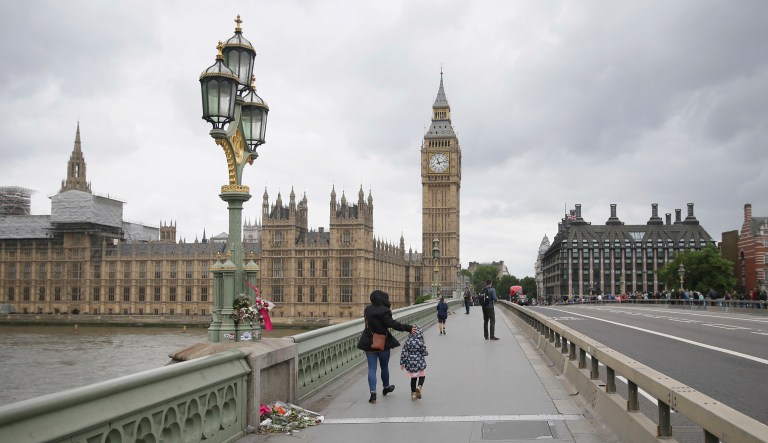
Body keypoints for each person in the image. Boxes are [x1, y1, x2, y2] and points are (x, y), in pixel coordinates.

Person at [357, 289, 416, 404]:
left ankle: (373, 393)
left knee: (371, 368)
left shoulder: (367, 309)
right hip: (382, 342)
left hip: (369, 341)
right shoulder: (385, 310)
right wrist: (408, 328)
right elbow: (392, 324)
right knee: (384, 367)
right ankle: (386, 387)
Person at [400, 326, 429, 400]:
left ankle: (413, 394)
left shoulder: (407, 341)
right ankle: (419, 387)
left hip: (410, 363)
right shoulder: (421, 342)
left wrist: (402, 363)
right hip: (420, 362)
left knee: (413, 379)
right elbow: (425, 353)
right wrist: (426, 350)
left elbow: (404, 353)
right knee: (422, 376)